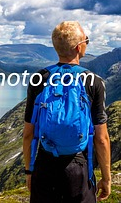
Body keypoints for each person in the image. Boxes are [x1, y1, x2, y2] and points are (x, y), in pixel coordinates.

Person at [23, 21, 111, 203]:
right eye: (87, 40)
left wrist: (29, 171)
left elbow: (28, 134)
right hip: (78, 168)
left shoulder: (39, 78)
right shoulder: (93, 82)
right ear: (79, 47)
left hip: (45, 165)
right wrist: (106, 178)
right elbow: (101, 138)